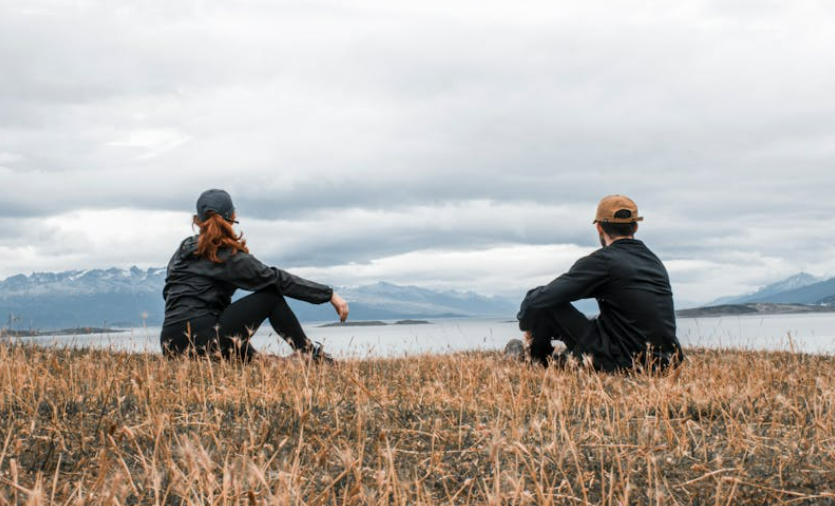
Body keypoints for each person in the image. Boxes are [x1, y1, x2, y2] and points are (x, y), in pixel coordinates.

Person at [160, 189, 349, 362]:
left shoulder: (182, 252)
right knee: (270, 297)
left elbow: (169, 294)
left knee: (255, 359)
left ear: (198, 220)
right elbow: (276, 279)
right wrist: (328, 294)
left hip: (169, 345)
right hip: (206, 341)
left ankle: (258, 359)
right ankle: (309, 353)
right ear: (232, 216)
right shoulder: (226, 254)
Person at [516, 195, 683, 372]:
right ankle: (558, 357)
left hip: (624, 361)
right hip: (667, 362)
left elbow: (540, 299)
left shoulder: (603, 262)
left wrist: (526, 325)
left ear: (599, 228)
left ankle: (538, 361)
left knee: (541, 299)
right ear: (635, 226)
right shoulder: (654, 262)